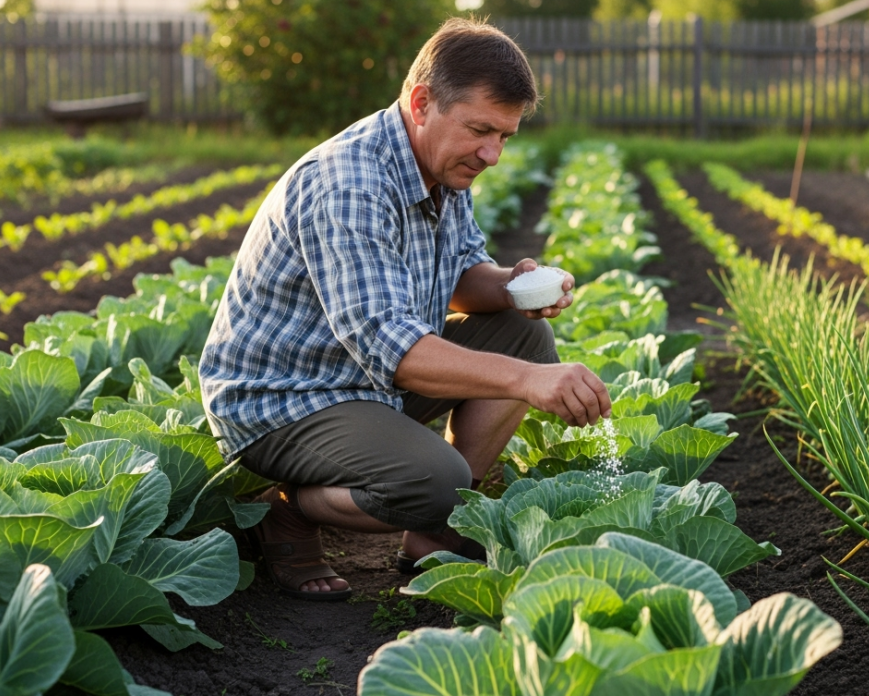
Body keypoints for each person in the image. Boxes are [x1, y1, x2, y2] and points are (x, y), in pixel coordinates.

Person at [199, 17, 611, 601]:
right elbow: (392, 347)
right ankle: (286, 511)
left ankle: (429, 538)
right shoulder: (349, 182)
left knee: (524, 336)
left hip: (357, 377)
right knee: (437, 480)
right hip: (285, 395)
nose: (492, 153)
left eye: (505, 137)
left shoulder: (444, 166)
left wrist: (512, 285)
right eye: (480, 130)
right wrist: (529, 382)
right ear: (422, 103)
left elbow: (461, 277)